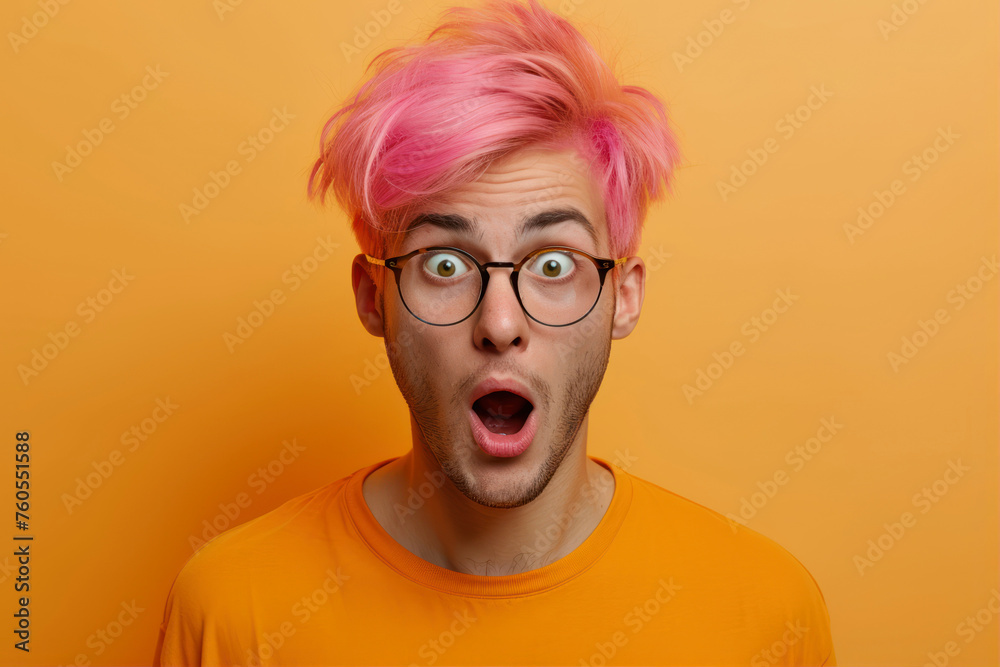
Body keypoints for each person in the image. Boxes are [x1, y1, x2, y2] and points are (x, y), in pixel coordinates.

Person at [153, 0, 837, 664]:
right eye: (445, 264)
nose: (501, 323)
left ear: (623, 298)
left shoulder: (762, 616)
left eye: (552, 263)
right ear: (374, 297)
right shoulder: (232, 609)